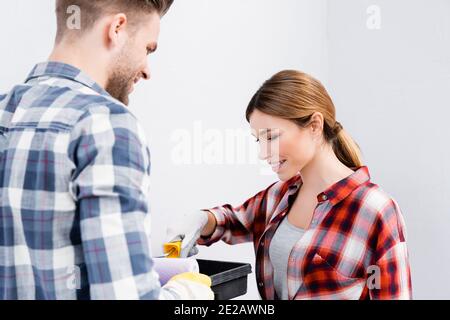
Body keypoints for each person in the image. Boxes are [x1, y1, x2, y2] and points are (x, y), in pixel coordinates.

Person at [0, 0, 213, 300]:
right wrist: (188, 292)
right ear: (117, 28)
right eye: (148, 49)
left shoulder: (5, 111)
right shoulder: (106, 124)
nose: (147, 70)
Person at [167, 70, 413, 300]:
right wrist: (201, 220)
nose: (264, 153)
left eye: (272, 137)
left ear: (315, 125)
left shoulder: (376, 211)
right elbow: (234, 220)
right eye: (259, 140)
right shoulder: (279, 196)